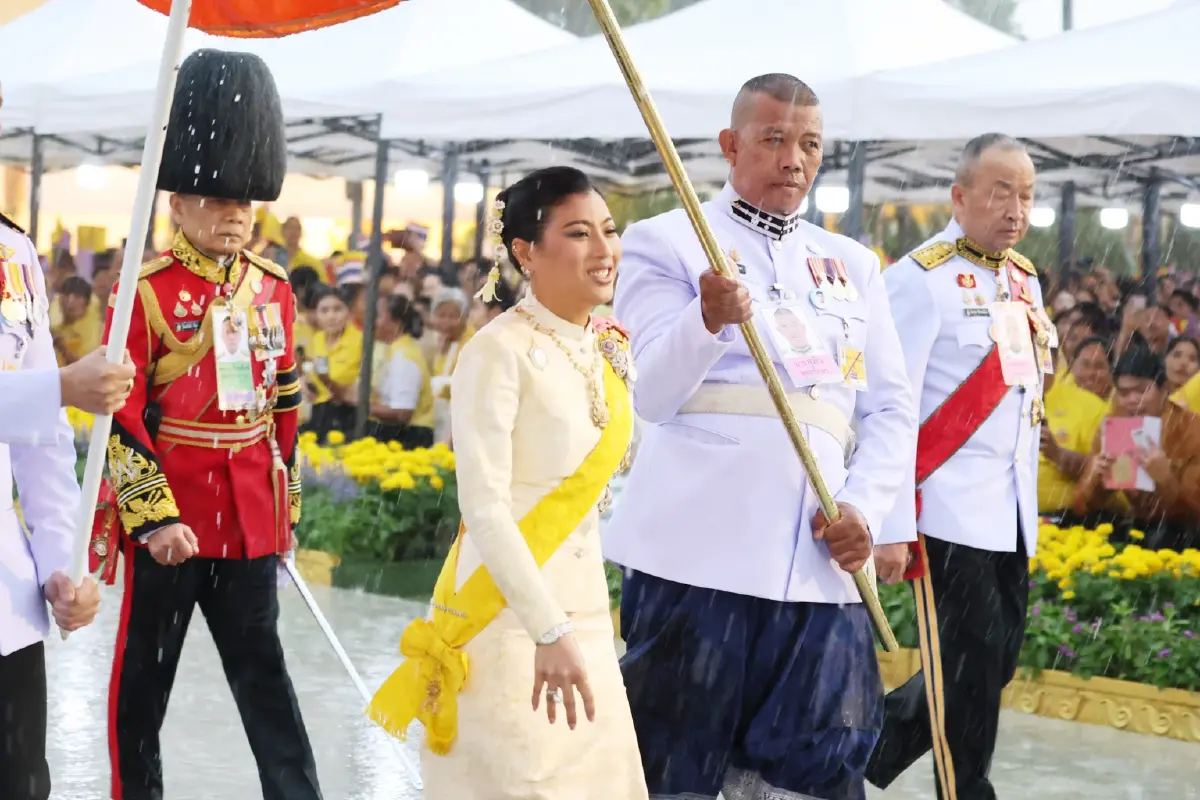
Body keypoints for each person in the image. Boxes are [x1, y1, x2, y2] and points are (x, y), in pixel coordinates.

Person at [607, 73, 916, 800]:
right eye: (774, 139)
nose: (794, 159)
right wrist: (705, 321)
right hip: (695, 558)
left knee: (821, 768)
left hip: (819, 564)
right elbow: (649, 392)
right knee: (672, 768)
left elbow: (890, 411)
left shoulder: (855, 264)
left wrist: (866, 511)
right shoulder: (666, 240)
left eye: (809, 144)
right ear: (730, 144)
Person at [367, 167, 647, 799]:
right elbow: (486, 508)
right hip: (511, 617)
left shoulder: (603, 348)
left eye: (608, 230)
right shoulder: (498, 351)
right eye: (579, 234)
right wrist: (547, 628)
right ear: (525, 252)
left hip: (590, 622)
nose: (604, 251)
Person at [90, 49, 321, 800]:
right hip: (172, 523)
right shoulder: (146, 291)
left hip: (249, 519)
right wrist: (153, 518)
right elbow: (118, 413)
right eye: (217, 197)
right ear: (177, 204)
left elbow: (284, 400)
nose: (235, 212)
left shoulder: (274, 288)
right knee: (142, 692)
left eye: (244, 199)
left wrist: (280, 502)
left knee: (268, 687)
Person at [866, 134, 1045, 800]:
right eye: (1001, 192)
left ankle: (866, 741)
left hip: (1009, 513)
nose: (1015, 209)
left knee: (991, 665)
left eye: (1026, 195)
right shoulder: (917, 279)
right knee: (967, 679)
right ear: (961, 195)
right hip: (942, 507)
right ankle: (966, 791)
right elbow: (888, 406)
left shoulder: (1025, 277)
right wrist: (889, 520)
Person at [0, 203, 131, 800]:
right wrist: (59, 386)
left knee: (22, 784)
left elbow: (43, 441)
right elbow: (47, 394)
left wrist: (61, 561)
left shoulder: (12, 251)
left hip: (5, 603)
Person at [1074, 348, 1200, 549]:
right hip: (1129, 526)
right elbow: (1082, 505)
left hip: (1180, 535)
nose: (1132, 400)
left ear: (1165, 389)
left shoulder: (1192, 430)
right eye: (1123, 393)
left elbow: (1193, 515)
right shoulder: (1112, 427)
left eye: (1141, 391)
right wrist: (1095, 482)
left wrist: (1166, 480)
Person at [352, 294, 436, 449]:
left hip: (410, 438)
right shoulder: (393, 349)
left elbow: (403, 413)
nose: (370, 322)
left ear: (396, 324)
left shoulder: (405, 357)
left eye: (377, 316)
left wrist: (361, 404)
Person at [304, 283, 362, 440]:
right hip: (319, 413)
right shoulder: (317, 339)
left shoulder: (360, 342)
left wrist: (325, 379)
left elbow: (348, 390)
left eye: (337, 309)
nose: (331, 316)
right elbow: (311, 375)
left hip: (348, 416)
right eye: (324, 310)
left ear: (349, 312)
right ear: (316, 314)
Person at [429, 286, 475, 444]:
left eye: (453, 316)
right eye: (441, 316)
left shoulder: (473, 342)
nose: (446, 322)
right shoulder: (442, 341)